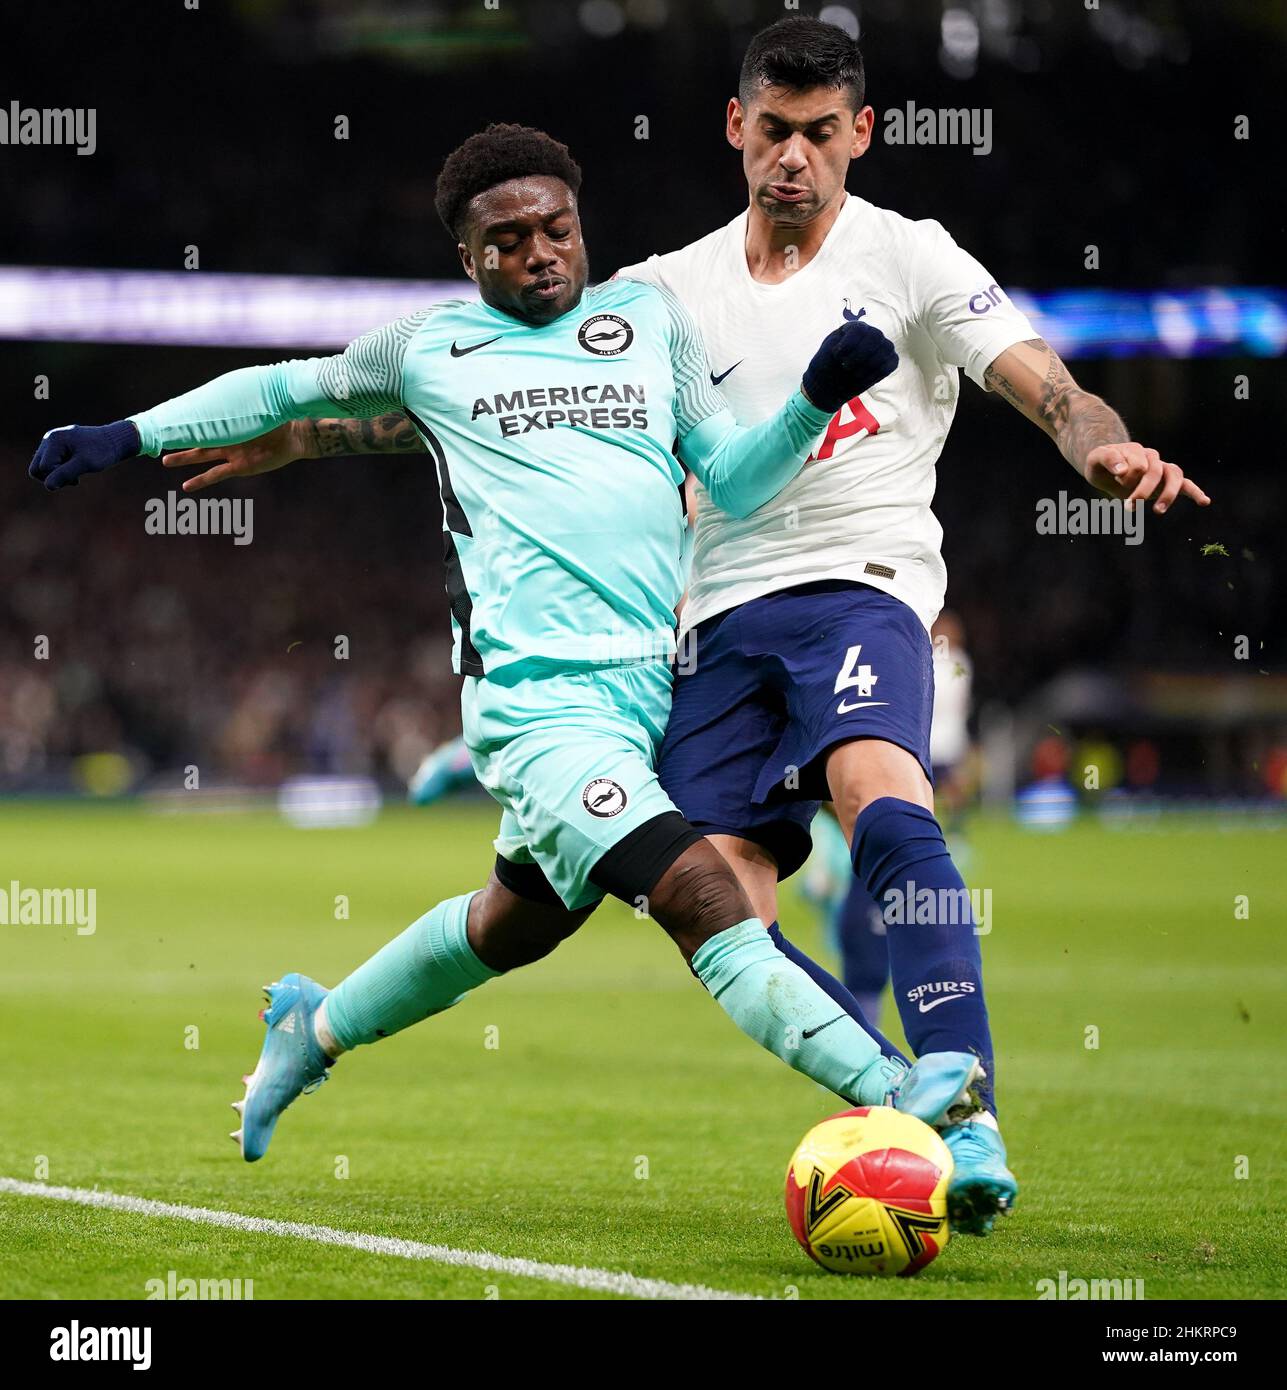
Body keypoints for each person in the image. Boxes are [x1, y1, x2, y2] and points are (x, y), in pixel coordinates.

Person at [142, 20, 1211, 1233]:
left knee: (880, 789)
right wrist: (311, 435)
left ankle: (962, 1116)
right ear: (735, 128)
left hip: (858, 584)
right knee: (607, 907)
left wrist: (1101, 445)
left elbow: (1048, 383)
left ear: (861, 133)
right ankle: (323, 1024)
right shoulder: (662, 291)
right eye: (773, 130)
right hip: (701, 625)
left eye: (821, 133)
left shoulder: (912, 258)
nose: (794, 158)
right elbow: (489, 396)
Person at [31, 123, 983, 1166]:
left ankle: (317, 1024)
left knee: (513, 924)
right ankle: (901, 1090)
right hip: (539, 714)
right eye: (511, 239)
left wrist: (810, 403)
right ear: (468, 255)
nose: (542, 252)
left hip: (648, 700)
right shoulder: (426, 348)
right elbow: (282, 390)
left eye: (559, 229)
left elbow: (734, 480)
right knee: (703, 896)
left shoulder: (647, 319)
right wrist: (127, 434)